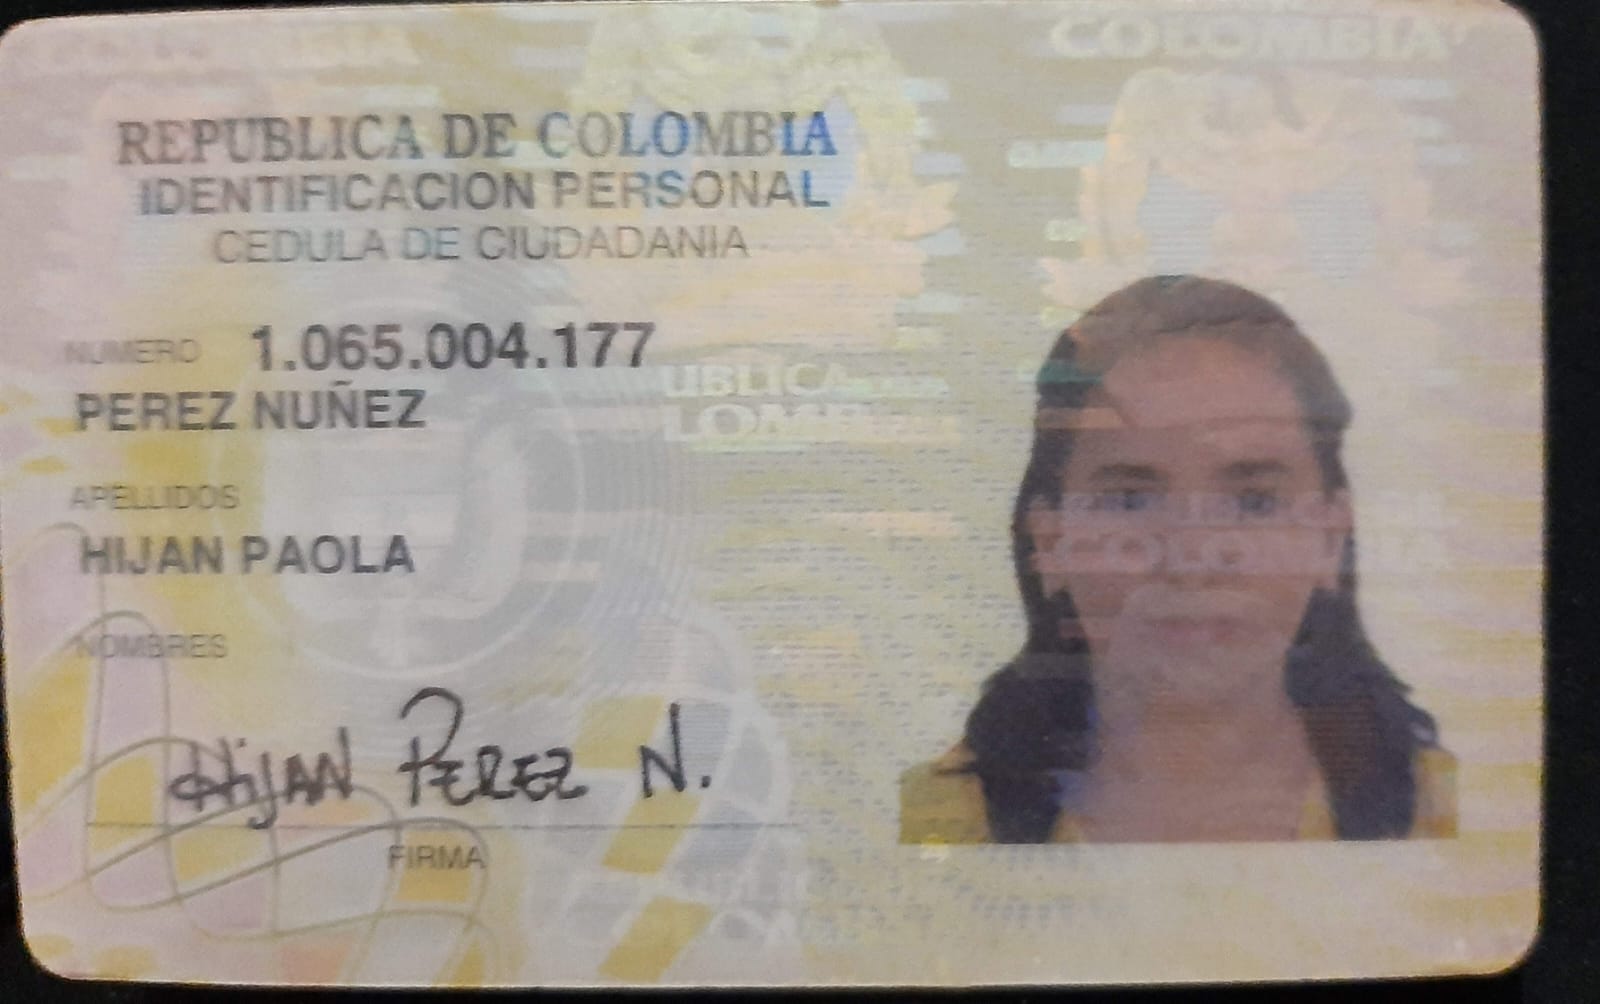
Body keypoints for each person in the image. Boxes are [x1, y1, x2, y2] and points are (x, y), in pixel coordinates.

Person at [900, 275, 1455, 844]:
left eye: (1255, 501)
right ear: (1048, 540)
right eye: (1129, 499)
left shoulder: (1450, 815)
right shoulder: (931, 826)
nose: (1191, 559)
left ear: (1331, 535)